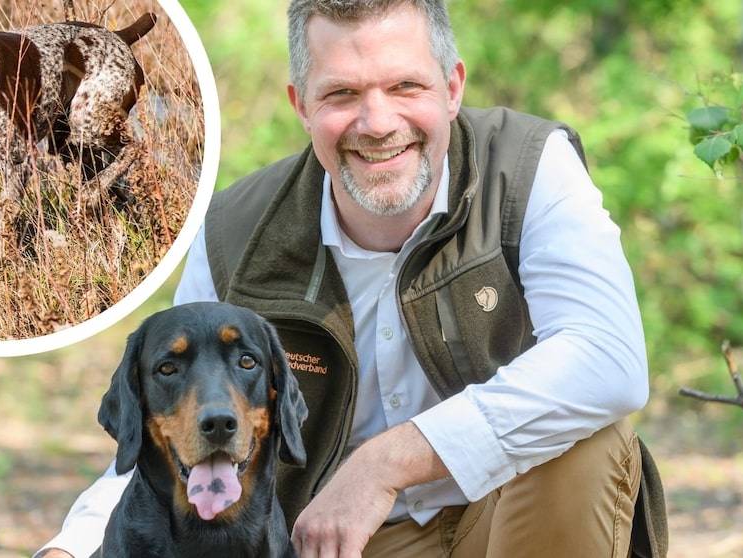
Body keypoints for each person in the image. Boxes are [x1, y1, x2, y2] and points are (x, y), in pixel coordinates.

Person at [37, 1, 667, 557]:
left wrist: (387, 463)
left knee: (590, 441)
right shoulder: (234, 229)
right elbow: (170, 427)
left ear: (453, 87)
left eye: (405, 85)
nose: (377, 122)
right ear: (301, 106)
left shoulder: (529, 169)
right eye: (341, 95)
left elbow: (608, 359)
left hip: (514, 524)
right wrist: (70, 547)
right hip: (337, 543)